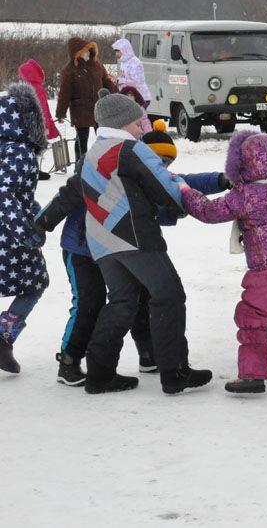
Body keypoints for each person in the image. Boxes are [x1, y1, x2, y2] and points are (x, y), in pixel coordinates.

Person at [38, 89, 212, 394]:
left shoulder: (92, 154)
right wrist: (184, 205)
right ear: (122, 124)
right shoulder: (130, 150)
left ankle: (100, 373)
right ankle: (174, 372)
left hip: (102, 244)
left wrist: (42, 223)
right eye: (136, 123)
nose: (140, 129)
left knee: (122, 302)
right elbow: (162, 184)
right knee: (168, 294)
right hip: (135, 237)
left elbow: (71, 193)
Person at [179, 131, 267, 394]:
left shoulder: (244, 195)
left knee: (253, 318)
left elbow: (210, 212)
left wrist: (187, 193)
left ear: (240, 165)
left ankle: (252, 375)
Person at [0, 82, 49, 374]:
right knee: (35, 283)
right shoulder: (21, 151)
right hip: (9, 235)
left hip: (10, 226)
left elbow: (17, 193)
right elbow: (5, 193)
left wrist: (35, 210)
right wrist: (25, 233)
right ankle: (3, 338)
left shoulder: (6, 146)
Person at [55, 36, 117, 160]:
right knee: (81, 140)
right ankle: (80, 165)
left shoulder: (97, 64)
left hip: (98, 107)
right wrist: (60, 113)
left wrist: (117, 93)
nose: (88, 53)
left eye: (89, 50)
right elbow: (64, 94)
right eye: (84, 51)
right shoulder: (69, 70)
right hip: (80, 110)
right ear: (77, 54)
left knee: (103, 137)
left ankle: (104, 163)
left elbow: (106, 80)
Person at [18, 59, 61, 181]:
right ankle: (35, 171)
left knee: (30, 147)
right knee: (37, 147)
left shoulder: (24, 86)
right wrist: (46, 125)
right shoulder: (38, 88)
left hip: (27, 123)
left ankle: (30, 169)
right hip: (38, 123)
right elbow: (42, 108)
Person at [112, 38, 151, 106]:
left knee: (137, 116)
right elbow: (125, 79)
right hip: (130, 97)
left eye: (117, 51)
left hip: (140, 97)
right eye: (115, 51)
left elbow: (136, 82)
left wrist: (119, 80)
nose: (116, 54)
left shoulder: (135, 63)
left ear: (124, 50)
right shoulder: (123, 62)